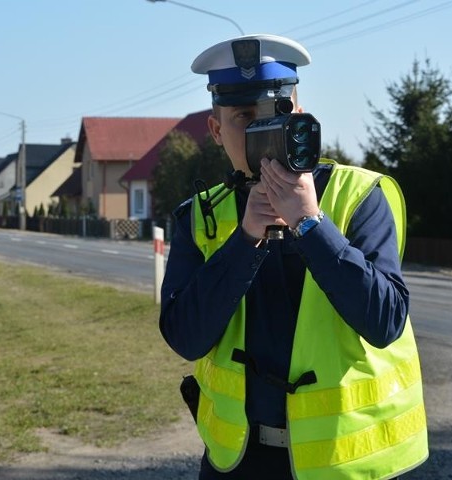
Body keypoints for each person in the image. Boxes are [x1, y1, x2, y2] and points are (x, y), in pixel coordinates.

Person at [159, 34, 428, 480]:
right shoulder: (200, 216)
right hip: (239, 462)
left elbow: (385, 322)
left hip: (345, 464)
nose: (263, 130)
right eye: (244, 117)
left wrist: (311, 224)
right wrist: (246, 239)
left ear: (298, 116)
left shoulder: (359, 196)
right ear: (215, 130)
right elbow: (185, 338)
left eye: (276, 114)